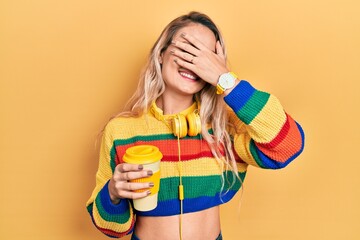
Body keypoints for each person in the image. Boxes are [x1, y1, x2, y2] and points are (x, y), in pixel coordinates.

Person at [86, 11, 305, 240]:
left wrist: (225, 79)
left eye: (205, 57)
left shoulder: (225, 127)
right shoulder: (121, 131)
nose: (194, 62)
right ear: (161, 54)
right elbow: (112, 228)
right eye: (186, 49)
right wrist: (112, 193)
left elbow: (289, 145)